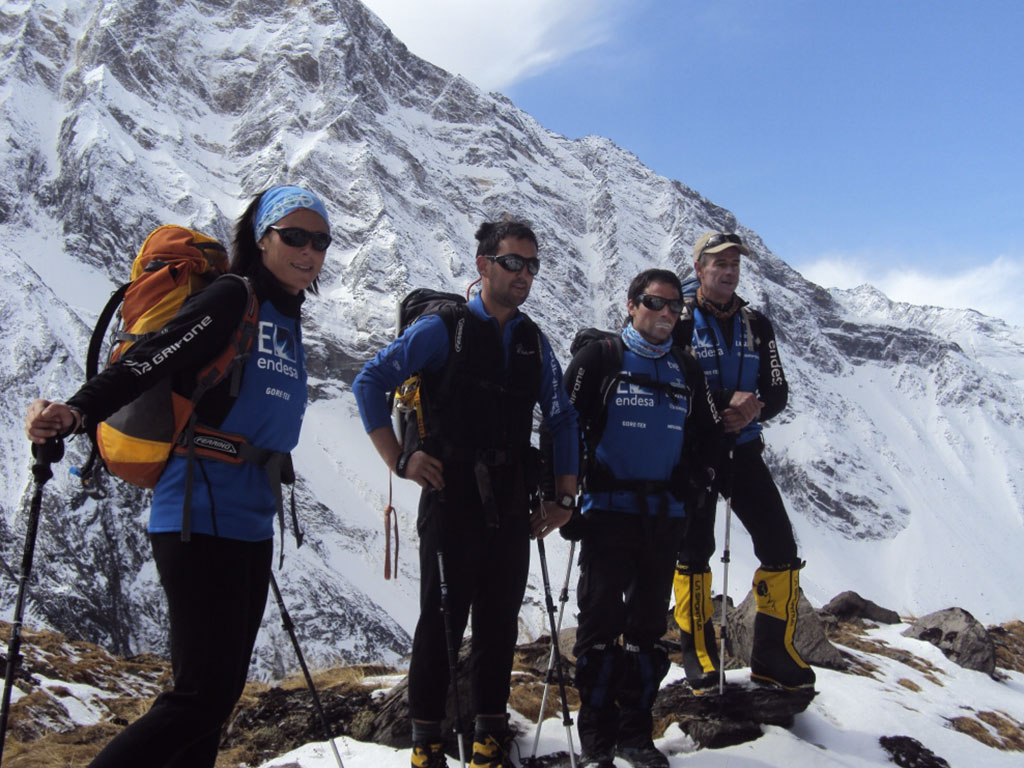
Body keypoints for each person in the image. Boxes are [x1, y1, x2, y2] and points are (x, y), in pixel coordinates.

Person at [24, 185, 331, 767]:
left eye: (320, 240)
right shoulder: (230, 299)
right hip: (198, 509)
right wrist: (78, 411)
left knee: (215, 700)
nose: (308, 250)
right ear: (262, 238)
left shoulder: (287, 317)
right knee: (199, 695)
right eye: (294, 235)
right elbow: (147, 359)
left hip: (250, 519)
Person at [352, 219, 578, 768]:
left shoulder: (532, 341)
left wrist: (564, 499)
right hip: (450, 495)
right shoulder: (442, 330)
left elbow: (562, 417)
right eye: (513, 262)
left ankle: (489, 732)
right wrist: (401, 459)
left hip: (510, 499)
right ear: (483, 266)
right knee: (443, 619)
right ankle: (426, 740)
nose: (524, 274)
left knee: (499, 619)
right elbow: (370, 383)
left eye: (532, 265)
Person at [564, 268, 722, 768]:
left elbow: (708, 436)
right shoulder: (601, 359)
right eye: (655, 304)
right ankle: (596, 742)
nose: (665, 314)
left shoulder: (686, 369)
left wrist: (699, 483)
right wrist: (562, 496)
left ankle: (635, 735)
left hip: (665, 520)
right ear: (631, 305)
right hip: (608, 516)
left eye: (675, 307)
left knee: (648, 632)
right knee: (598, 629)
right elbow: (563, 426)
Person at [672, 231, 816, 693]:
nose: (729, 271)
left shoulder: (757, 324)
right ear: (699, 270)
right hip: (694, 450)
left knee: (779, 546)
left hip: (745, 448)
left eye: (734, 264)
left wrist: (752, 408)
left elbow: (777, 390)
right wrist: (721, 406)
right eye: (719, 264)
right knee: (694, 550)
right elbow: (669, 379)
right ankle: (697, 655)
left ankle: (772, 655)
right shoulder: (678, 318)